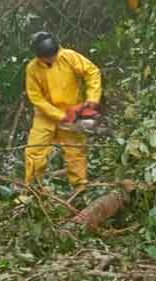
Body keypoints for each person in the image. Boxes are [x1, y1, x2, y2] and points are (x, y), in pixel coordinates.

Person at [24, 31, 102, 190]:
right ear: (39, 55)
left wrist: (92, 99)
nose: (51, 59)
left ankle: (80, 188)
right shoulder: (32, 68)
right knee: (35, 151)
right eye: (47, 57)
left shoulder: (69, 56)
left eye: (52, 55)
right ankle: (33, 191)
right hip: (45, 116)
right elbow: (36, 97)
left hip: (71, 111)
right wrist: (59, 116)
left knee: (75, 152)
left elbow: (92, 72)